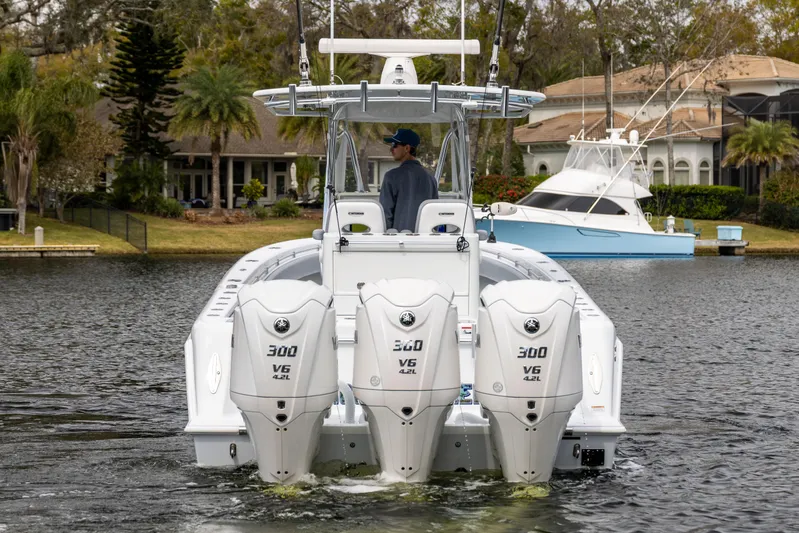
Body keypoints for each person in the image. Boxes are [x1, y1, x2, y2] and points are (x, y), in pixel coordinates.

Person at [379, 128, 438, 232]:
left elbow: (385, 215)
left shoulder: (391, 177)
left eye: (394, 145)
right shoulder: (430, 178)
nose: (391, 149)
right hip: (425, 242)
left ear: (407, 148)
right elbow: (434, 215)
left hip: (399, 242)